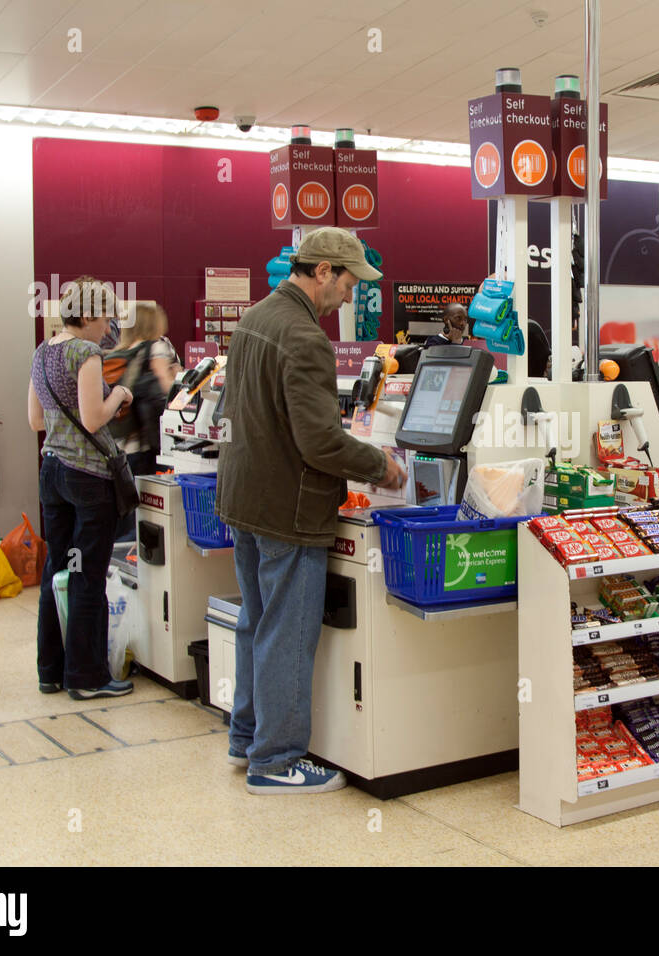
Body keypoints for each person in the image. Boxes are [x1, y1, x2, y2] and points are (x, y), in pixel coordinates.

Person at [218, 227, 406, 795]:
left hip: (244, 496)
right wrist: (380, 465)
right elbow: (320, 443)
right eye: (348, 283)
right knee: (287, 630)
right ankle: (274, 760)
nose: (349, 296)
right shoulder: (304, 338)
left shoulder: (254, 319)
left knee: (256, 620)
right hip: (288, 509)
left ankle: (246, 734)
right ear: (322, 271)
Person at [27, 276, 135, 700]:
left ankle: (51, 669)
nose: (109, 324)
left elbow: (35, 421)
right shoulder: (86, 352)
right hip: (88, 478)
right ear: (88, 314)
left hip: (52, 472)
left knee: (59, 568)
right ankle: (87, 676)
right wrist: (120, 392)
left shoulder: (42, 351)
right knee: (87, 575)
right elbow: (93, 418)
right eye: (106, 315)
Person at [105, 303, 170, 540]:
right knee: (149, 513)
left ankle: (118, 568)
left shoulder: (114, 355)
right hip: (146, 444)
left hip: (118, 447)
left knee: (125, 513)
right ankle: (140, 568)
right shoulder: (156, 347)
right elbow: (165, 385)